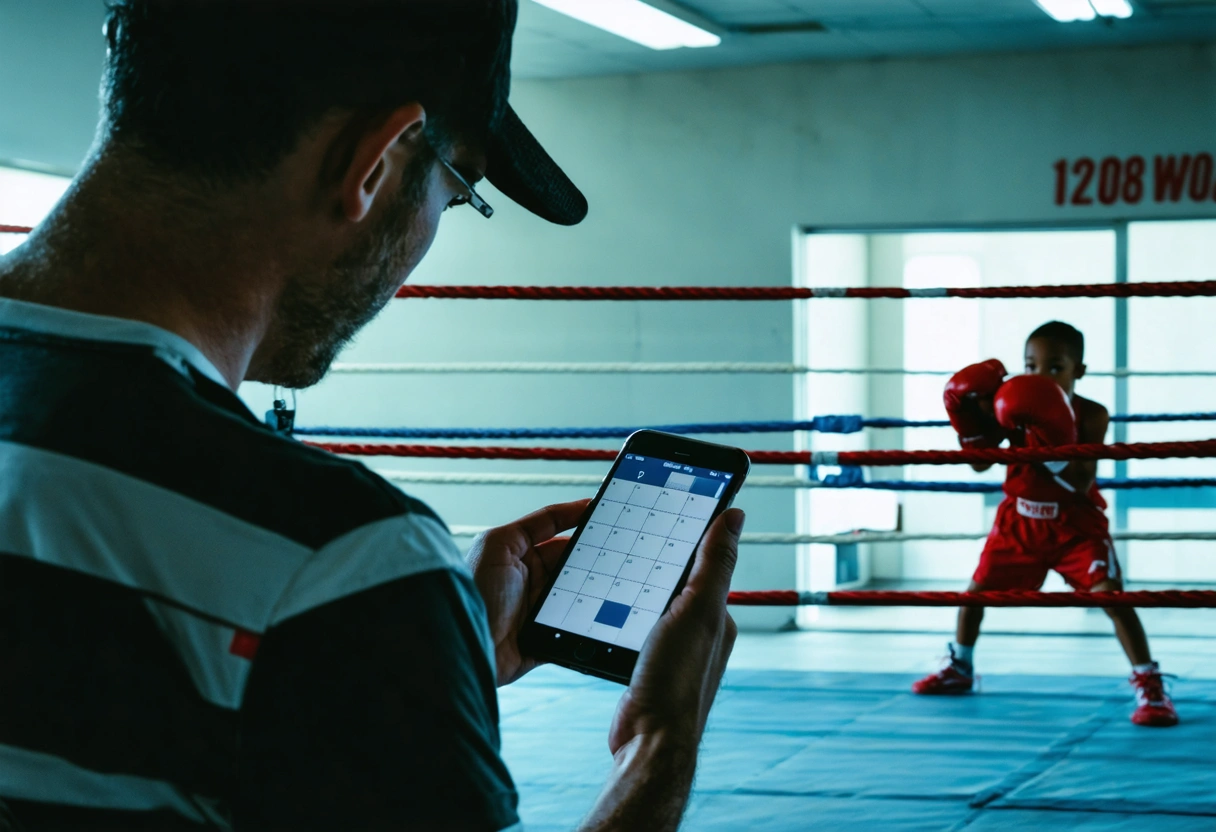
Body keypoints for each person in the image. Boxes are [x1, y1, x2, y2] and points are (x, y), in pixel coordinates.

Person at [0, 2, 743, 829]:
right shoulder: (335, 555)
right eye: (456, 192)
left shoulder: (337, 592)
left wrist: (395, 669)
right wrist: (660, 745)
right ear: (374, 160)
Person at [911, 321, 1178, 728]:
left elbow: (1081, 480)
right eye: (1031, 366)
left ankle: (1150, 683)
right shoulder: (1009, 405)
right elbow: (981, 464)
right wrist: (968, 421)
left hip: (1075, 525)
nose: (1041, 377)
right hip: (1018, 520)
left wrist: (1049, 437)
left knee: (1113, 600)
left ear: (1079, 370)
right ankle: (960, 667)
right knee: (974, 597)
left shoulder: (1091, 414)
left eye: (1055, 367)